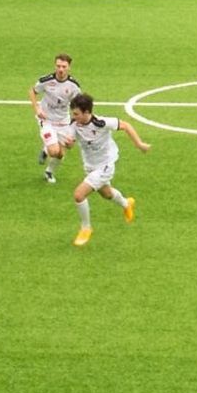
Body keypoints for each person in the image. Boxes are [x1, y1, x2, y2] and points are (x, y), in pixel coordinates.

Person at [67, 91, 149, 247]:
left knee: (79, 195)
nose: (74, 116)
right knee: (106, 194)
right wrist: (68, 143)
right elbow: (70, 142)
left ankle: (86, 228)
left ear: (87, 112)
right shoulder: (74, 124)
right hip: (90, 166)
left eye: (77, 113)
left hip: (105, 165)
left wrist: (139, 144)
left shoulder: (102, 123)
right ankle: (127, 204)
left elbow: (125, 125)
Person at [29, 51, 80, 183]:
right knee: (54, 151)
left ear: (69, 67)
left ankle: (49, 172)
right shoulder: (46, 80)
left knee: (62, 153)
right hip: (46, 120)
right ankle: (47, 149)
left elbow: (77, 107)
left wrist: (74, 127)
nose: (61, 69)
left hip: (63, 121)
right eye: (58, 66)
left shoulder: (74, 86)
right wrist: (37, 109)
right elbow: (32, 92)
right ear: (55, 66)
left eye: (64, 66)